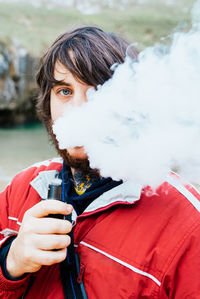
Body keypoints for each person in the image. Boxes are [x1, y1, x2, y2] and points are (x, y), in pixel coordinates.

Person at [0, 26, 200, 299]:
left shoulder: (187, 224)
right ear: (47, 102)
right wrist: (11, 263)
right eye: (64, 91)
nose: (77, 111)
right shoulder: (21, 189)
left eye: (97, 91)